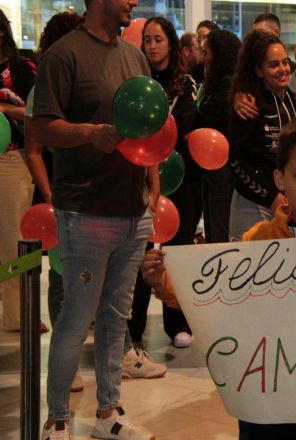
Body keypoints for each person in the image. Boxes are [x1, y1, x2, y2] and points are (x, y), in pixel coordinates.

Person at [143, 117, 296, 440]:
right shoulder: (257, 241)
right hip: (266, 390)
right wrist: (165, 284)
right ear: (280, 178)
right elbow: (215, 294)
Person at [32, 0, 158, 437]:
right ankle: (57, 419)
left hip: (132, 208)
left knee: (115, 317)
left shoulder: (135, 55)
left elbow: (149, 124)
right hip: (85, 209)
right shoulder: (62, 55)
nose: (134, 3)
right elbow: (42, 128)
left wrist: (152, 180)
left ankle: (109, 413)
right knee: (76, 316)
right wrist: (90, 133)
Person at [23, 10, 83, 393]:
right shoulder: (46, 83)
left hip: (78, 192)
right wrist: (49, 193)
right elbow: (33, 149)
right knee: (60, 278)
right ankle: (67, 370)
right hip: (57, 194)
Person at [135, 16, 199, 350]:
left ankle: (178, 323)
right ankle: (135, 326)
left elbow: (185, 122)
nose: (152, 45)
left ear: (170, 44)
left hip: (179, 178)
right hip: (143, 177)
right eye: (147, 39)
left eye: (158, 39)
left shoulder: (184, 83)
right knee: (141, 250)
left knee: (177, 249)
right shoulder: (136, 79)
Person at [228, 31, 296, 241]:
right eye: (273, 65)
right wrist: (270, 196)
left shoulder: (290, 98)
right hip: (252, 206)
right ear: (259, 70)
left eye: (285, 62)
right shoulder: (248, 104)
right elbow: (235, 161)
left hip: (284, 203)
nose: (283, 69)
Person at [0, 9, 36, 332]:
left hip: (13, 160)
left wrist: (5, 108)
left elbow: (40, 113)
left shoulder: (21, 69)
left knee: (17, 240)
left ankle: (18, 314)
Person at [196, 29, 241, 244]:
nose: (203, 59)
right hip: (216, 172)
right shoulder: (223, 86)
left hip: (224, 173)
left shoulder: (229, 91)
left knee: (219, 232)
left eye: (207, 52)